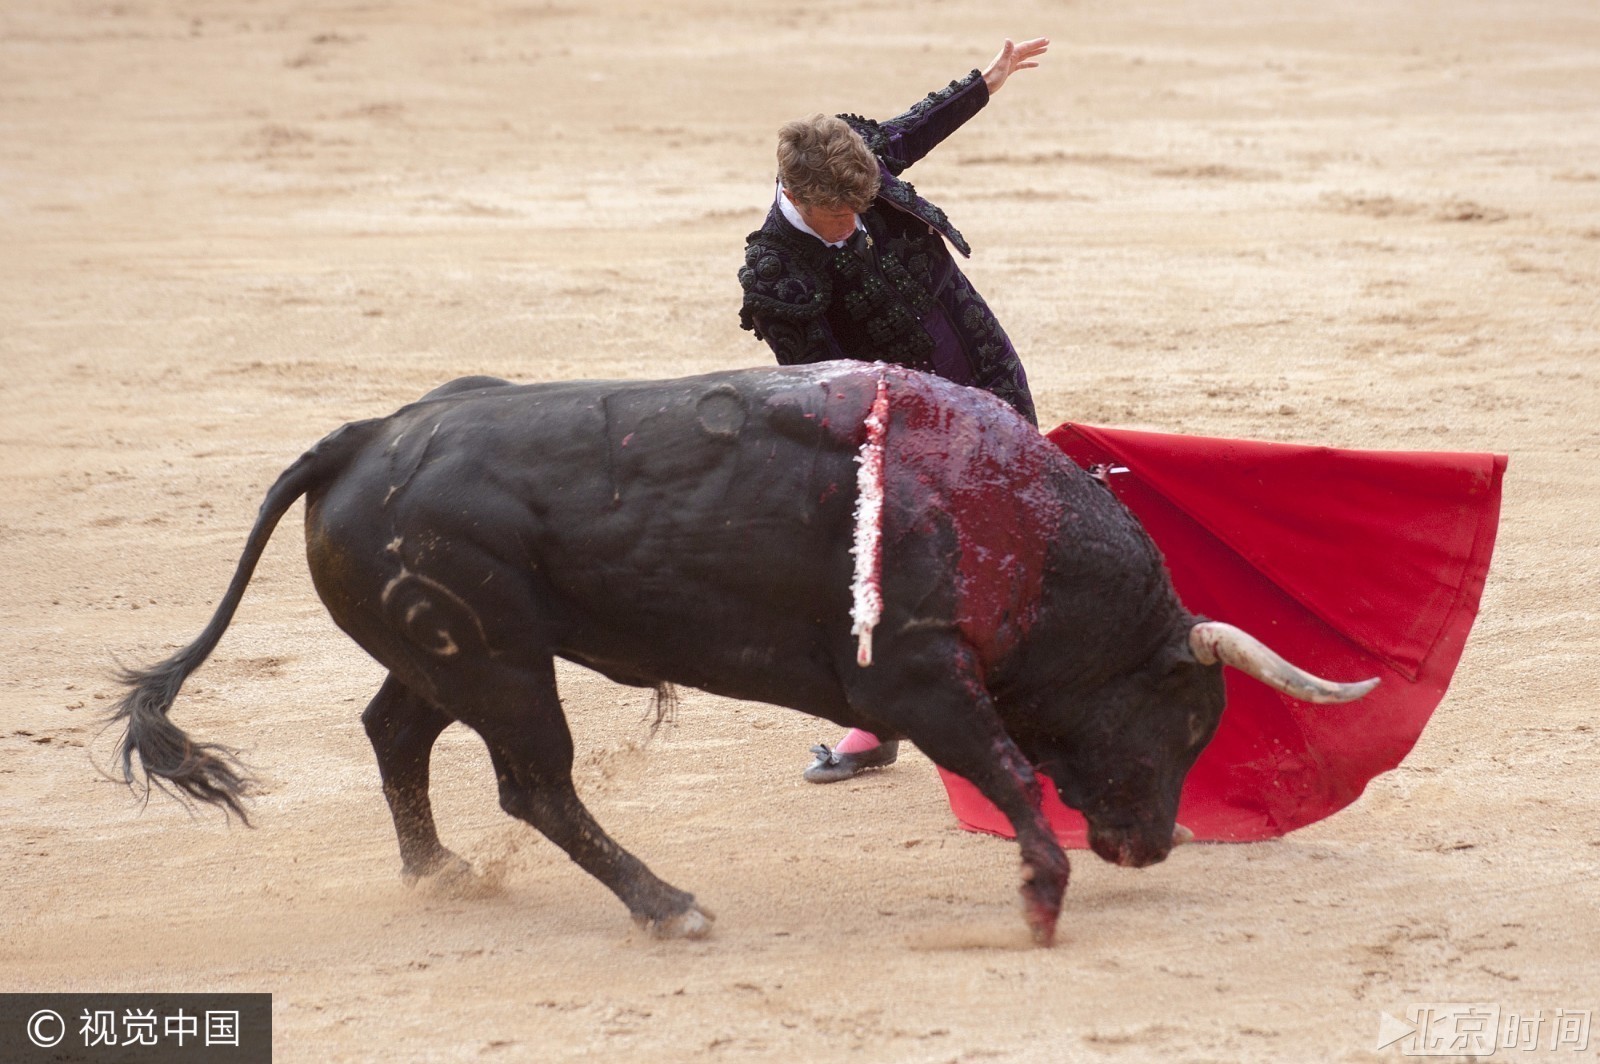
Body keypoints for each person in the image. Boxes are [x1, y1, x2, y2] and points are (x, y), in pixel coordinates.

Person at [737, 37, 1050, 783]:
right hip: (901, 405)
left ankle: (1035, 673)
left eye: (864, 200)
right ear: (803, 199)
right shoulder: (777, 271)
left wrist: (988, 81)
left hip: (969, 338)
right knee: (900, 555)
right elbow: (822, 383)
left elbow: (911, 128)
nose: (858, 219)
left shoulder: (852, 160)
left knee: (1022, 486)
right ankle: (874, 723)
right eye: (844, 214)